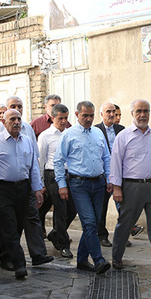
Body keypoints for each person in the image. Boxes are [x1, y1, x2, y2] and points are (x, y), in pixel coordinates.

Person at [0, 96, 52, 268]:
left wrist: (37, 189)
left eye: (19, 118)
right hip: (3, 189)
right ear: (4, 122)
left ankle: (18, 257)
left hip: (24, 187)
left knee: (21, 222)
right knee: (9, 224)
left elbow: (34, 166)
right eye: (12, 119)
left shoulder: (27, 140)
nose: (17, 121)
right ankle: (19, 264)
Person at [110, 99, 151, 273]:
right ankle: (117, 257)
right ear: (132, 113)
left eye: (146, 111)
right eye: (139, 111)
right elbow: (115, 162)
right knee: (125, 223)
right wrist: (116, 187)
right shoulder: (123, 136)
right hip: (131, 187)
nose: (142, 115)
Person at [53, 101, 111, 275]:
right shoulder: (68, 135)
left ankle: (82, 260)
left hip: (99, 183)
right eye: (85, 115)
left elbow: (106, 158)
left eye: (91, 115)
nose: (88, 119)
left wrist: (109, 179)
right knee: (90, 222)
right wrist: (62, 185)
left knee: (92, 224)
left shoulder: (98, 133)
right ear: (77, 115)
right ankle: (99, 259)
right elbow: (58, 161)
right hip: (79, 185)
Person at [38, 103, 76, 258]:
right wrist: (41, 183)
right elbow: (41, 159)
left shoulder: (70, 134)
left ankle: (56, 233)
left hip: (69, 173)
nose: (63, 121)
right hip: (52, 173)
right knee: (60, 208)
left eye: (66, 118)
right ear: (52, 118)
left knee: (73, 208)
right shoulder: (45, 136)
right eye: (60, 118)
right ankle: (63, 244)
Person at [95, 102, 126, 248]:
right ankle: (101, 235)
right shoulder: (96, 131)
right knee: (102, 207)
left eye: (113, 111)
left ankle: (123, 235)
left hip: (120, 172)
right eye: (108, 111)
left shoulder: (121, 130)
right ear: (101, 114)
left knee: (123, 206)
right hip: (103, 173)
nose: (111, 114)